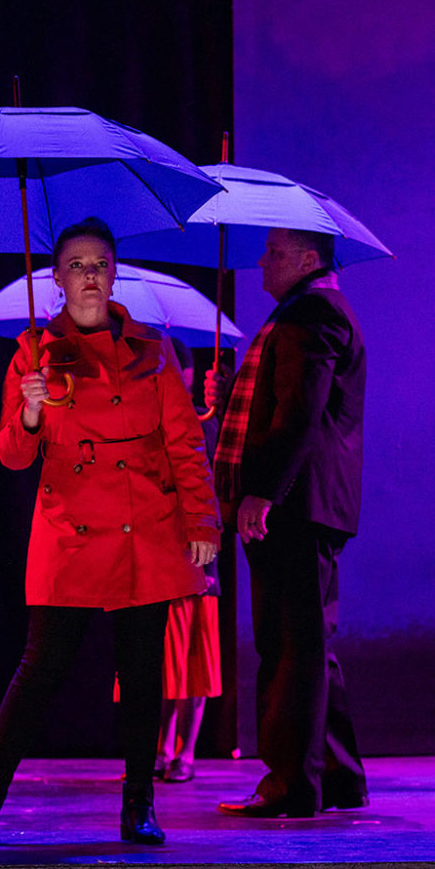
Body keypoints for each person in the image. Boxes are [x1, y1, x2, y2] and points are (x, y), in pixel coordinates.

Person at [0, 217, 220, 847]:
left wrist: (202, 518)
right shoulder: (35, 353)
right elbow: (11, 457)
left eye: (99, 264)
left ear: (114, 273)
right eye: (76, 266)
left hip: (144, 526)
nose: (89, 277)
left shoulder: (152, 350)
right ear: (56, 278)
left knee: (142, 673)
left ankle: (140, 805)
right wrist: (29, 410)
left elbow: (185, 443)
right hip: (70, 530)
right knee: (40, 669)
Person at [211, 228, 368, 818]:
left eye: (275, 252)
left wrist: (263, 493)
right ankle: (339, 779)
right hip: (306, 504)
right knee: (308, 645)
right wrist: (232, 394)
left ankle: (290, 786)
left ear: (307, 259)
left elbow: (300, 412)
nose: (262, 260)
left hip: (295, 506)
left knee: (288, 649)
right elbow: (286, 402)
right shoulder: (311, 311)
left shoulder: (311, 314)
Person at [152, 339, 222, 784]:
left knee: (194, 664)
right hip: (159, 560)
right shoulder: (149, 419)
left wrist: (207, 568)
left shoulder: (205, 423)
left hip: (198, 561)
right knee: (162, 665)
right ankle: (161, 748)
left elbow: (212, 493)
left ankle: (186, 751)